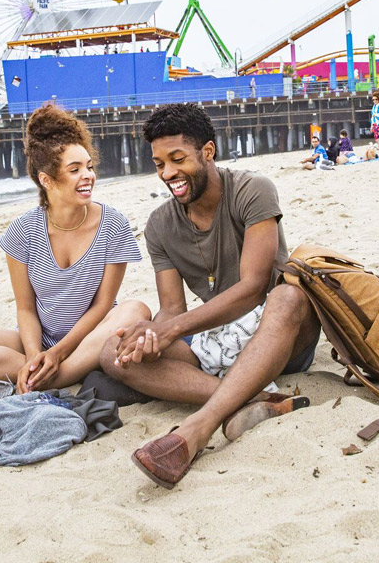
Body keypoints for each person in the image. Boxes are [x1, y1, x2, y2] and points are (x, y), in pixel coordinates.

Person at [99, 103, 319, 488]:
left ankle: (197, 430)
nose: (168, 173)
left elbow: (253, 288)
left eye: (177, 159)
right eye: (159, 164)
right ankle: (250, 400)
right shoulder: (159, 225)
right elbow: (171, 310)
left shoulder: (253, 190)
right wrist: (150, 336)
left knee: (289, 298)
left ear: (208, 152)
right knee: (112, 352)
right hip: (217, 340)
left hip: (278, 336)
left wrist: (172, 329)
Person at [0, 104, 149, 403]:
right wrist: (36, 354)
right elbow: (25, 309)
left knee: (136, 309)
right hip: (41, 339)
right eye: (75, 170)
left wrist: (59, 353)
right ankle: (41, 374)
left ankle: (52, 378)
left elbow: (102, 306)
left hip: (93, 337)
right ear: (46, 179)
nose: (88, 175)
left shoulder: (113, 224)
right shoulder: (22, 232)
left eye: (89, 166)